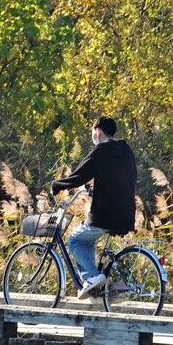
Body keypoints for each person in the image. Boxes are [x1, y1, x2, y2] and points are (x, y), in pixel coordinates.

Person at [50, 116, 137, 299]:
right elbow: (117, 177)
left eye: (92, 132)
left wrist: (57, 185)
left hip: (105, 215)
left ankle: (92, 278)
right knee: (86, 240)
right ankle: (95, 286)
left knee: (74, 240)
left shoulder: (101, 150)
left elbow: (79, 175)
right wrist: (94, 189)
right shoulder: (126, 149)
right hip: (127, 214)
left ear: (98, 132)